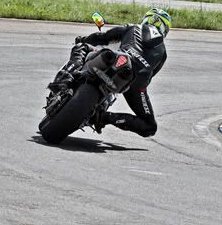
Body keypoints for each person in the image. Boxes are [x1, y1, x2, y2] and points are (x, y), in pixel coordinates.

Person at [48, 8, 171, 137]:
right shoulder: (163, 53)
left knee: (82, 47)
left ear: (147, 19)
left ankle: (65, 78)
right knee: (149, 126)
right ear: (165, 29)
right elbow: (151, 76)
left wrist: (83, 40)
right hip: (135, 82)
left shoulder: (135, 27)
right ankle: (105, 117)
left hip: (120, 58)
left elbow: (103, 36)